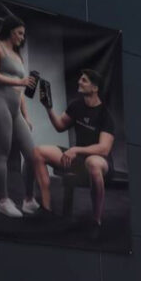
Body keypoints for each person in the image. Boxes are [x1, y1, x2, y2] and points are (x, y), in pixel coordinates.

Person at [31, 69, 116, 238]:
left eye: (84, 80)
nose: (79, 82)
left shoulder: (105, 115)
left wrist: (76, 149)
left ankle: (96, 221)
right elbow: (60, 126)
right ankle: (46, 209)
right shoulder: (76, 106)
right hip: (78, 160)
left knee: (92, 162)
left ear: (95, 88)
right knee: (38, 152)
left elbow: (104, 148)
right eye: (80, 79)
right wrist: (49, 109)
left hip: (101, 162)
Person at [0, 15, 38, 218]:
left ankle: (28, 200)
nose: (22, 37)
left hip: (14, 108)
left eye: (23, 34)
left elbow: (20, 91)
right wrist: (20, 81)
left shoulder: (18, 56)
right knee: (2, 153)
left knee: (32, 155)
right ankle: (3, 201)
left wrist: (26, 116)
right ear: (10, 30)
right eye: (19, 33)